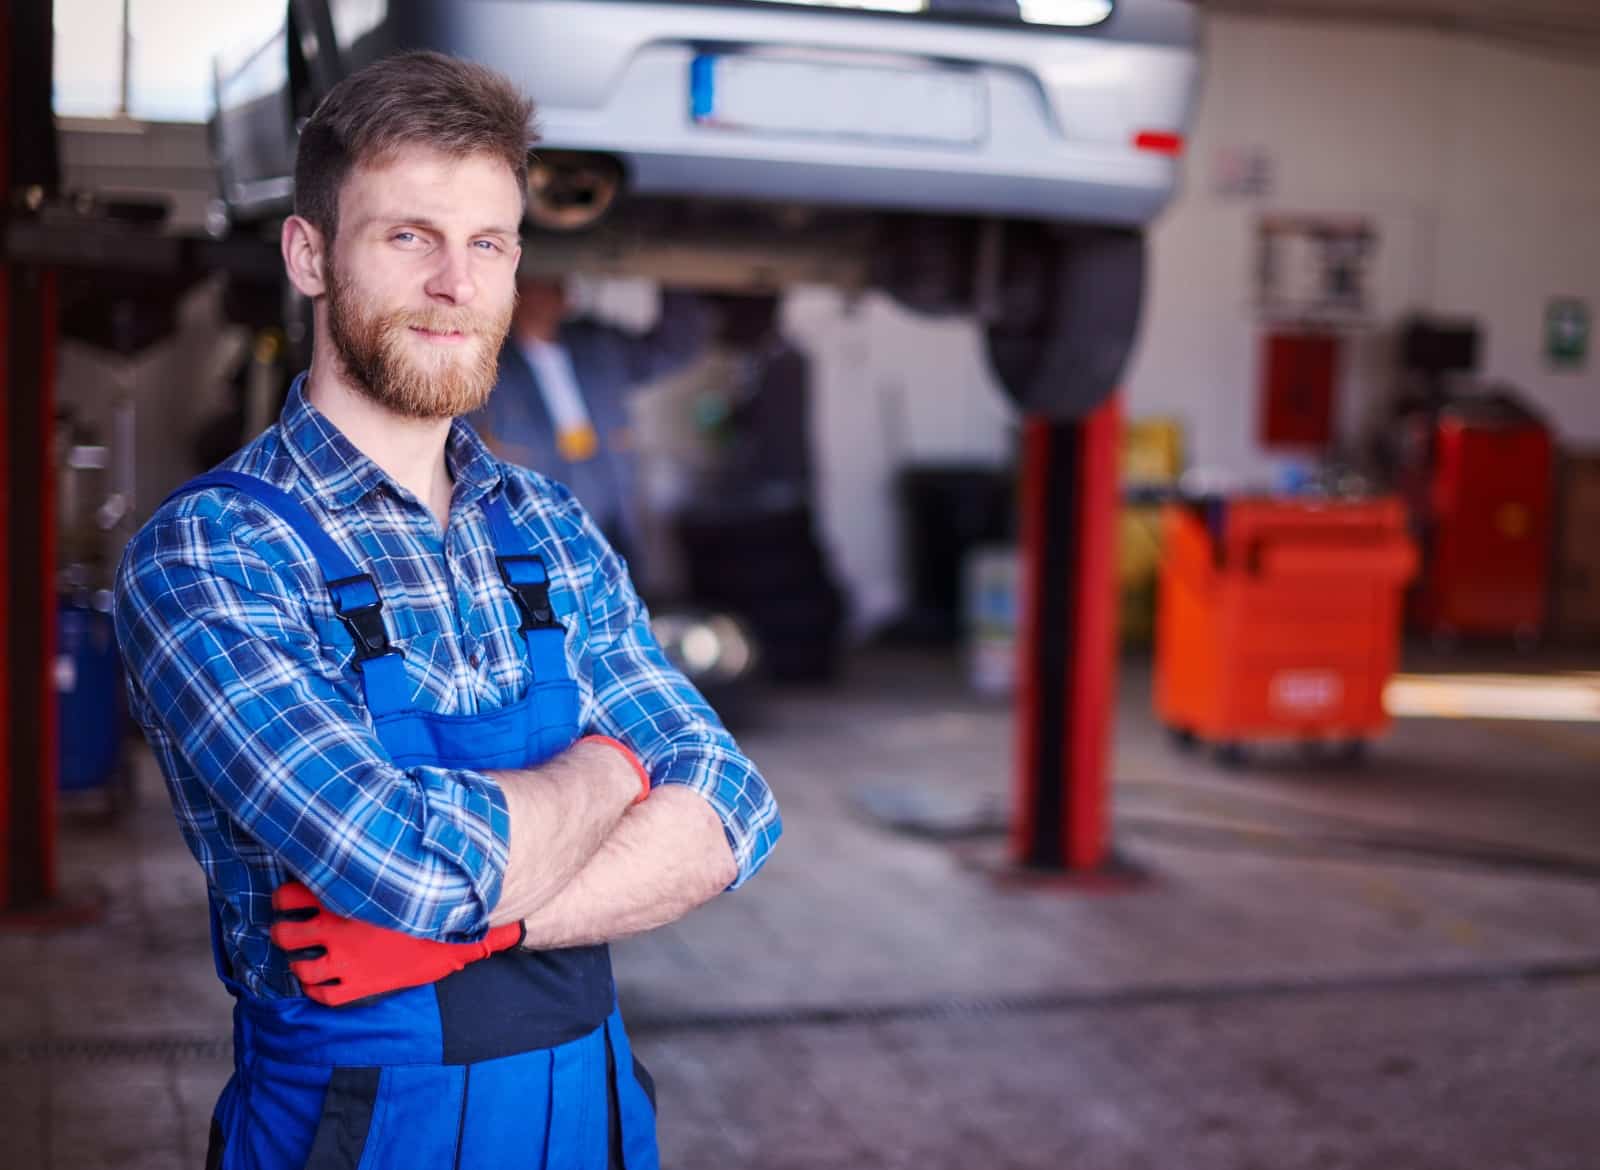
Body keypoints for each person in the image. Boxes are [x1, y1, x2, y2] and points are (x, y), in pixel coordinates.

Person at [113, 50, 780, 1170]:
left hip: (594, 1125)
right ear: (310, 253)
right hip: (360, 1133)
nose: (456, 286)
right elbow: (408, 870)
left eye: (489, 244)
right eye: (409, 237)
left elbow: (732, 811)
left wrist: (496, 925)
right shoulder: (210, 554)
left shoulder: (551, 528)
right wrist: (612, 771)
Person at [470, 275, 710, 569]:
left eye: (552, 287)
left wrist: (675, 269)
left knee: (621, 582)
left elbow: (675, 349)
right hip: (538, 509)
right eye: (532, 288)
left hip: (611, 495)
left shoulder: (597, 345)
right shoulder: (483, 362)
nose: (544, 298)